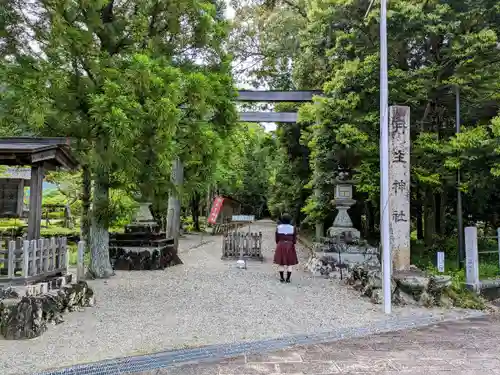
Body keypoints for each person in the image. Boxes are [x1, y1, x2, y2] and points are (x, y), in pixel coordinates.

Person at [273, 213, 298, 283]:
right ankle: (288, 279)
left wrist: (280, 242)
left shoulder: (278, 227)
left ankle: (281, 278)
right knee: (289, 263)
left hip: (280, 244)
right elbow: (294, 240)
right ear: (290, 219)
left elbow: (277, 239)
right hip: (290, 245)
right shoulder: (293, 228)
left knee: (281, 262)